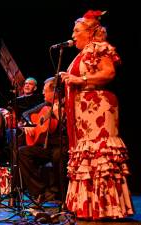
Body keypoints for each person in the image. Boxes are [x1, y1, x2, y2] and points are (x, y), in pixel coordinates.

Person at [60, 10, 133, 219]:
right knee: (87, 157)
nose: (73, 35)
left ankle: (107, 207)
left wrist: (79, 80)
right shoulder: (81, 54)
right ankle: (88, 206)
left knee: (100, 156)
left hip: (98, 107)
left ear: (91, 32)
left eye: (77, 30)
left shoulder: (100, 48)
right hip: (83, 110)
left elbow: (108, 73)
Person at [12, 77, 66, 204]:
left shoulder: (66, 103)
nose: (42, 93)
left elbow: (69, 128)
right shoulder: (45, 105)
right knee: (22, 152)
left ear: (55, 92)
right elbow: (26, 113)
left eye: (45, 90)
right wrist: (30, 126)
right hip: (46, 146)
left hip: (61, 144)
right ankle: (41, 191)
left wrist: (59, 116)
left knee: (59, 155)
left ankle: (61, 196)